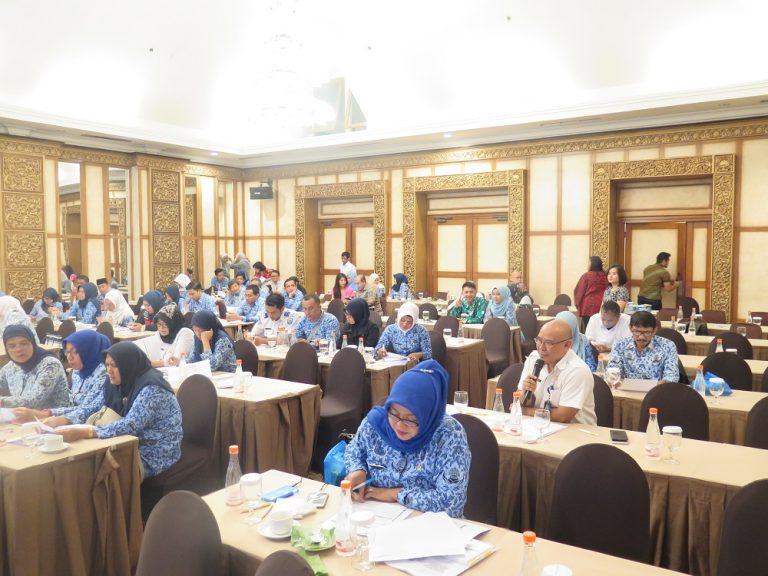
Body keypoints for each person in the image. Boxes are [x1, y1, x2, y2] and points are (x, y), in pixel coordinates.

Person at [344, 360, 470, 518]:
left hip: (427, 522)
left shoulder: (449, 436)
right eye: (394, 413)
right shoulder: (376, 423)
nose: (399, 425)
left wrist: (395, 494)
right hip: (374, 514)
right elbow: (354, 449)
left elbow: (451, 503)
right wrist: (357, 470)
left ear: (428, 415)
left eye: (411, 419)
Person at [56, 341, 183, 480]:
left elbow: (131, 425)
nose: (109, 370)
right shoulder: (115, 382)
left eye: (114, 366)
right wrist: (60, 418)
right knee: (76, 462)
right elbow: (92, 407)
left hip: (154, 452)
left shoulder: (152, 388)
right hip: (128, 444)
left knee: (91, 471)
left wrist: (86, 432)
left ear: (127, 365)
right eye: (107, 365)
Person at [14, 331, 111, 424]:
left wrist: (46, 414)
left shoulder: (105, 375)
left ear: (91, 351)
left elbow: (89, 409)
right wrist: (47, 413)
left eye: (75, 352)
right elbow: (73, 404)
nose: (69, 357)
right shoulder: (78, 371)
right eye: (67, 352)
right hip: (71, 420)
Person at [517, 319, 596, 425]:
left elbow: (563, 416)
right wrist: (527, 393)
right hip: (538, 425)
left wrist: (526, 412)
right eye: (539, 340)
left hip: (575, 430)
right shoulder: (533, 359)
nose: (541, 347)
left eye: (549, 343)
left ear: (567, 345)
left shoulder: (578, 370)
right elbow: (520, 399)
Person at [0, 325, 69, 409]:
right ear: (7, 349)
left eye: (24, 344)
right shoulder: (11, 366)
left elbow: (34, 401)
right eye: (12, 346)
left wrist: (2, 402)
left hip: (54, 415)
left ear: (32, 343)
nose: (18, 349)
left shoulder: (51, 365)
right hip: (22, 415)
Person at [608, 311, 680, 383]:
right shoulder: (619, 344)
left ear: (654, 330)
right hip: (626, 388)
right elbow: (613, 369)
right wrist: (614, 379)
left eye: (647, 332)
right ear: (630, 328)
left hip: (657, 388)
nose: (641, 337)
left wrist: (664, 383)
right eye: (637, 332)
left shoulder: (668, 346)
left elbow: (672, 375)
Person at [136, 303, 194, 367]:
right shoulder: (159, 334)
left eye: (165, 324)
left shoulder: (185, 333)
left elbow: (176, 361)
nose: (161, 328)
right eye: (159, 324)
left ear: (173, 323)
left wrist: (150, 364)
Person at [574, 256, 609, 329]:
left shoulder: (586, 276)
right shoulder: (605, 276)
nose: (587, 265)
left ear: (592, 264)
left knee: (588, 329)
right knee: (601, 328)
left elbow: (579, 291)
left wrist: (577, 304)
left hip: (588, 306)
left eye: (588, 263)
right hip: (602, 305)